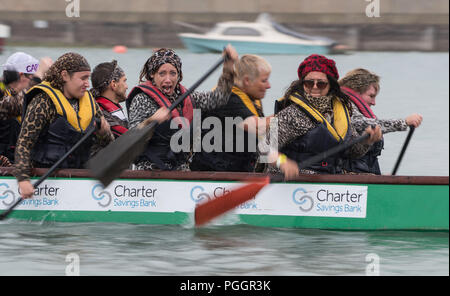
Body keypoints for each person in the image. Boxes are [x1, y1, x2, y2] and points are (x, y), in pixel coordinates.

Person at [13, 52, 113, 199]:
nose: (87, 84)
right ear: (65, 76)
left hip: (79, 178)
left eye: (88, 78)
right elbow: (24, 144)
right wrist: (23, 180)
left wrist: (104, 133)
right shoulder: (43, 101)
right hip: (47, 179)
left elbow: (107, 144)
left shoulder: (90, 102)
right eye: (83, 78)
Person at [126, 45, 238, 171]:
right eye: (162, 73)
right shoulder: (142, 99)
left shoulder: (189, 98)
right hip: (150, 171)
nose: (168, 79)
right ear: (152, 74)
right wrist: (150, 121)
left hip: (181, 170)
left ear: (178, 75)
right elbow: (132, 139)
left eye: (173, 73)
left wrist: (228, 67)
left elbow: (219, 98)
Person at [268, 54, 382, 175]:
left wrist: (366, 140)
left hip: (329, 184)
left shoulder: (341, 113)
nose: (315, 87)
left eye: (321, 83)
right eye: (309, 83)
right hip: (296, 184)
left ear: (331, 85)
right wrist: (283, 162)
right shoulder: (289, 113)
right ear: (302, 84)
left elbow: (353, 152)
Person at [190, 54, 298, 177]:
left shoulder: (252, 99)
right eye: (264, 80)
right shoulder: (229, 98)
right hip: (211, 176)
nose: (269, 86)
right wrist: (293, 114)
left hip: (236, 173)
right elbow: (258, 127)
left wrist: (281, 161)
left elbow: (258, 142)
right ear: (247, 81)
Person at [339, 68, 423, 174]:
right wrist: (404, 122)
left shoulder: (359, 110)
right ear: (356, 91)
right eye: (371, 96)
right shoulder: (344, 106)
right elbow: (361, 123)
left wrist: (381, 177)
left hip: (368, 173)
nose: (374, 103)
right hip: (352, 175)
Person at [0, 52, 52, 163]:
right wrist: (38, 78)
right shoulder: (4, 94)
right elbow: (14, 106)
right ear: (21, 76)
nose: (33, 83)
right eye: (31, 78)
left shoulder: (15, 93)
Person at [90, 60, 129, 139]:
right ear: (113, 84)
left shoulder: (106, 106)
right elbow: (128, 138)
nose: (126, 86)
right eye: (124, 81)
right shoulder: (100, 113)